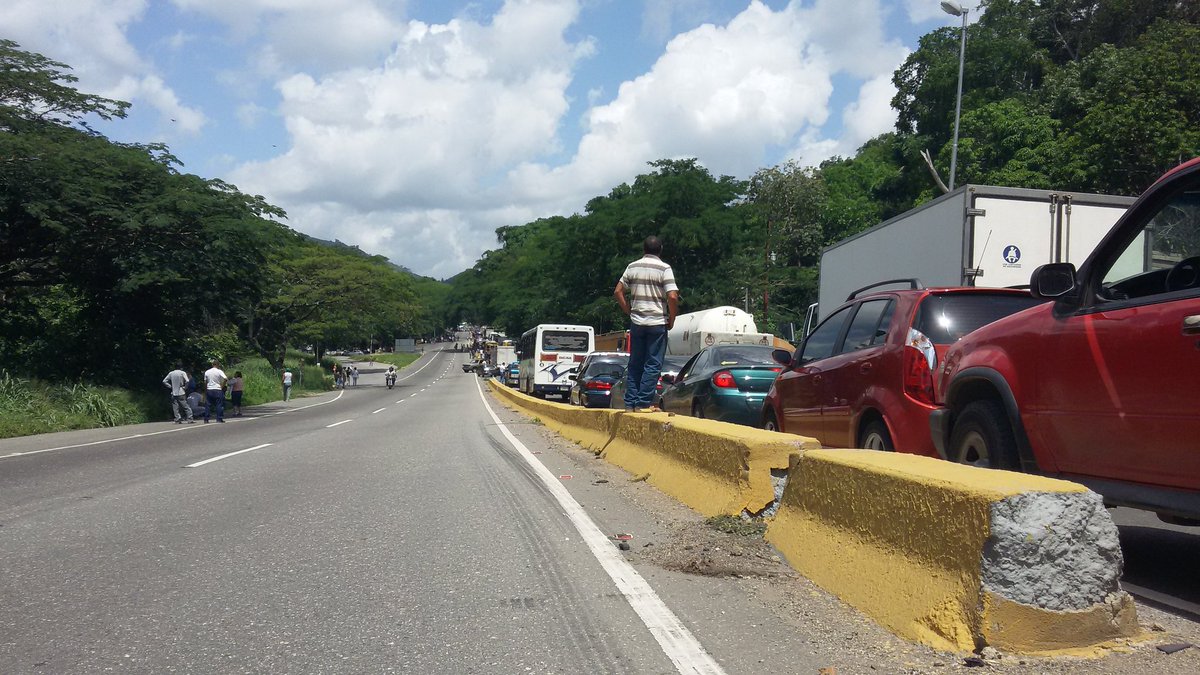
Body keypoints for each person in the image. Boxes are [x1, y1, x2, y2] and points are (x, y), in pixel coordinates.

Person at [614, 235, 679, 412]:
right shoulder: (664, 268)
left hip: (637, 322)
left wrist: (628, 310)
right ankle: (643, 403)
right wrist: (671, 319)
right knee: (653, 364)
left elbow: (618, 291)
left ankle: (630, 404)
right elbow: (672, 296)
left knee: (635, 363)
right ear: (660, 250)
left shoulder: (632, 266)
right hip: (657, 322)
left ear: (644, 250)